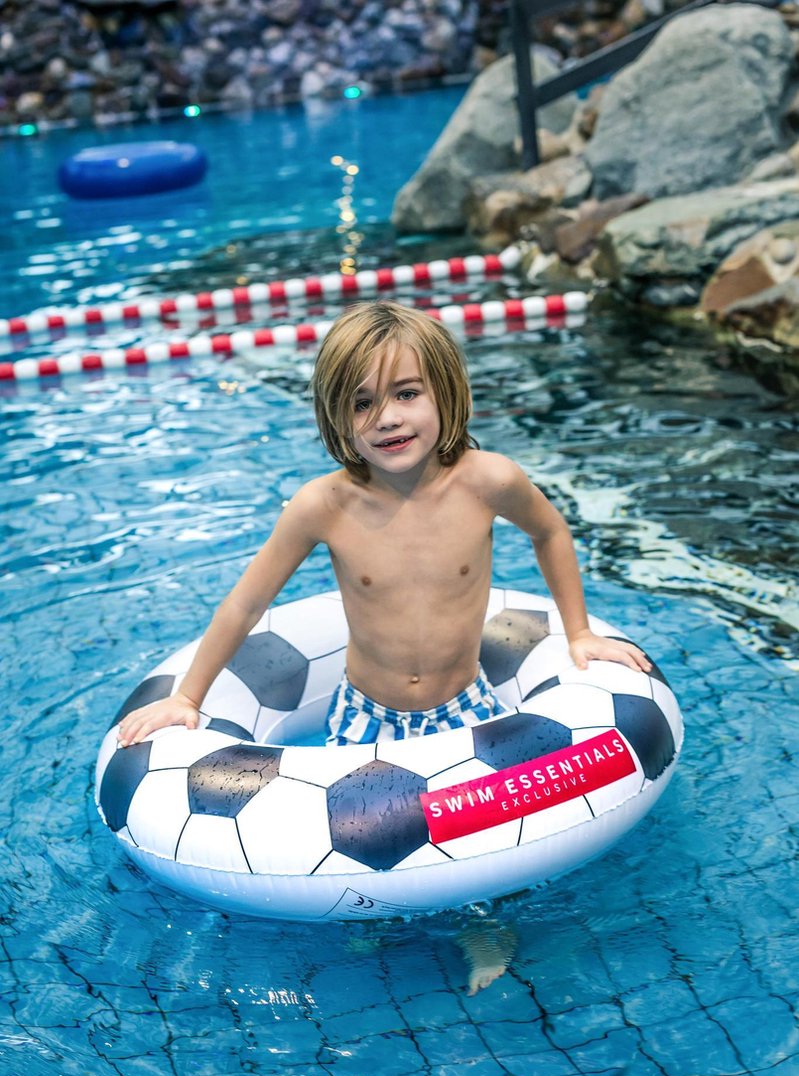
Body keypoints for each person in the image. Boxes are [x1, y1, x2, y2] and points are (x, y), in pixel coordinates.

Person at [118, 299, 649, 752]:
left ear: (446, 392)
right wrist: (187, 697)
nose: (387, 418)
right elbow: (245, 605)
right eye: (362, 403)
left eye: (407, 394)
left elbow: (550, 532)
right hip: (364, 716)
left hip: (469, 703)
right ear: (336, 416)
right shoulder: (323, 505)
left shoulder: (489, 481)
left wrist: (580, 633)